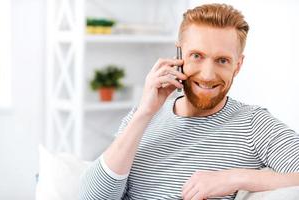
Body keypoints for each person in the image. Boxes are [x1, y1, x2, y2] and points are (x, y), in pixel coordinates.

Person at [79, 3, 299, 200]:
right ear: (179, 53)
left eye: (222, 60)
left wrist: (234, 178)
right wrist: (144, 113)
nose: (207, 74)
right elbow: (90, 197)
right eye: (197, 56)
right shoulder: (143, 117)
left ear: (238, 66)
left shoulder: (254, 124)